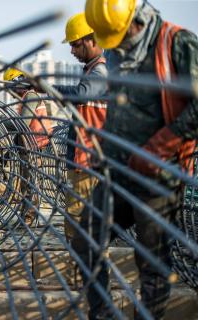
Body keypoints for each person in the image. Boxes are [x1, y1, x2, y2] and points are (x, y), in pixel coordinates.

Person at [73, 0, 198, 318]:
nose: (114, 44)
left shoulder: (178, 42)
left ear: (137, 18)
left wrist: (160, 145)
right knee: (85, 240)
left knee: (152, 264)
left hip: (160, 175)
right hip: (118, 172)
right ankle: (102, 314)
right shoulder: (116, 51)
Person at [54, 12, 108, 242]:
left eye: (75, 45)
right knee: (86, 217)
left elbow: (82, 94)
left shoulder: (99, 72)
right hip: (86, 157)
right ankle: (87, 267)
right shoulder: (90, 71)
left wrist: (47, 87)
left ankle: (83, 269)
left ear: (92, 40)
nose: (72, 51)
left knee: (78, 217)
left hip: (87, 160)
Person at [3, 68, 53, 221]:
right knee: (26, 181)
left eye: (10, 88)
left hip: (34, 145)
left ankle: (29, 217)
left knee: (30, 182)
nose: (11, 92)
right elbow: (22, 128)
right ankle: (26, 215)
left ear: (17, 83)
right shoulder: (26, 97)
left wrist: (1, 124)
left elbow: (22, 123)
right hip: (29, 144)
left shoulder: (30, 96)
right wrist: (11, 149)